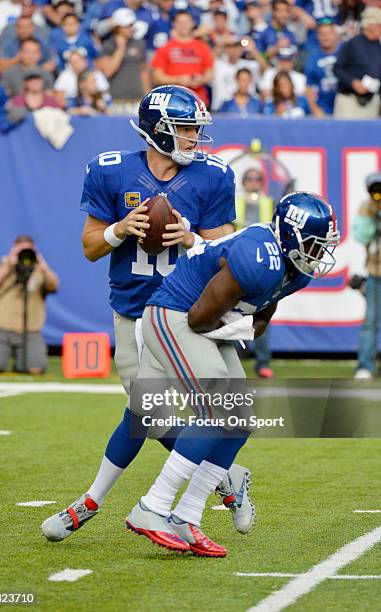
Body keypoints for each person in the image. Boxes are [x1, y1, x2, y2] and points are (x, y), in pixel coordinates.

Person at [41, 85, 253, 544]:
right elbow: (90, 246)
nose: (196, 137)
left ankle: (97, 502)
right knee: (151, 414)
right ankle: (223, 478)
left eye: (197, 128)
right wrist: (120, 229)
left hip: (190, 312)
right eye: (186, 128)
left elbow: (229, 254)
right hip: (135, 311)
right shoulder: (111, 171)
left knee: (216, 409)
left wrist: (191, 238)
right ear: (159, 131)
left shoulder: (213, 176)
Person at [124, 192, 340, 555]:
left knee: (240, 420)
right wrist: (230, 326)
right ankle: (153, 506)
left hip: (206, 322)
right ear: (291, 237)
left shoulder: (296, 272)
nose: (319, 254)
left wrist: (238, 326)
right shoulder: (258, 257)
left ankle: (186, 516)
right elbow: (197, 318)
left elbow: (260, 321)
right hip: (173, 313)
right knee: (218, 410)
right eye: (314, 245)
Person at [0, 235, 59, 374]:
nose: (24, 254)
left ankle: (23, 361)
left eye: (28, 250)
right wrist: (10, 264)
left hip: (30, 331)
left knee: (35, 369)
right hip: (0, 329)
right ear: (13, 250)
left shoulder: (40, 269)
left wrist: (43, 267)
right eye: (20, 250)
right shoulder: (5, 264)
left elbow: (53, 286)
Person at [234, 168, 274, 377]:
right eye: (249, 178)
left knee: (263, 314)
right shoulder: (237, 201)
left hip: (263, 266)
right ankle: (232, 361)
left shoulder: (269, 202)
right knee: (229, 313)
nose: (253, 182)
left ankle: (263, 362)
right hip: (240, 262)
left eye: (257, 178)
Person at [151, 10, 213, 107]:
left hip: (198, 100)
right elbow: (157, 76)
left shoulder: (202, 47)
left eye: (187, 22)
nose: (184, 25)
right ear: (174, 24)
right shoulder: (165, 48)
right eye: (180, 22)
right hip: (172, 102)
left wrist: (200, 79)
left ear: (192, 24)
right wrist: (178, 80)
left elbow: (209, 73)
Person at [353, 172, 381, 379]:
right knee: (370, 322)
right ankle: (365, 366)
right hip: (376, 272)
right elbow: (361, 236)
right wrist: (373, 217)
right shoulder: (367, 208)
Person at [97, 8, 149, 115]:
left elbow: (143, 71)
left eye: (131, 24)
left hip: (137, 100)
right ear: (117, 28)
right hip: (116, 100)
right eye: (127, 25)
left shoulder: (139, 43)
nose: (131, 28)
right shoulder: (108, 45)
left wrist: (147, 95)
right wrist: (120, 48)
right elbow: (108, 71)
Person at [333, 6, 381, 119]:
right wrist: (354, 82)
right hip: (350, 100)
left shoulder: (379, 46)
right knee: (345, 135)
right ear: (370, 25)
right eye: (379, 24)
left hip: (371, 101)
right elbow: (337, 68)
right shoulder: (353, 44)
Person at [305, 20, 341, 117]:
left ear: (335, 34)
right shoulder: (313, 58)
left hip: (344, 105)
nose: (326, 37)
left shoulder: (345, 52)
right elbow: (309, 87)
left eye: (329, 33)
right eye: (322, 34)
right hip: (323, 109)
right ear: (317, 36)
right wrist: (314, 108)